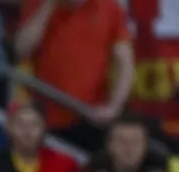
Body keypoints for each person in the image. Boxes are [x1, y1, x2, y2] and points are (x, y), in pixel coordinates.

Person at [15, 0, 134, 152]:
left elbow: (125, 63)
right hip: (46, 115)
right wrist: (48, 6)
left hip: (91, 115)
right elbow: (22, 49)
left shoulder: (109, 7)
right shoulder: (37, 4)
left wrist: (114, 107)